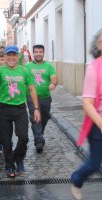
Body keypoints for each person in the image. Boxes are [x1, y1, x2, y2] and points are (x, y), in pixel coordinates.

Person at [0, 45, 41, 178]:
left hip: (19, 108)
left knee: (24, 137)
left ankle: (18, 157)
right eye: (8, 55)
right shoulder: (0, 70)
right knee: (6, 140)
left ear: (17, 57)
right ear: (5, 57)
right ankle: (9, 165)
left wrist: (36, 108)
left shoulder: (24, 71)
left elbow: (32, 89)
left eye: (14, 55)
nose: (11, 57)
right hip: (3, 108)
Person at [70, 29, 102, 200]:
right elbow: (87, 103)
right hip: (98, 126)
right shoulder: (94, 68)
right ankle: (77, 179)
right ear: (98, 45)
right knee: (94, 163)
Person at [25, 44, 57, 153]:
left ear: (43, 53)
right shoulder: (28, 66)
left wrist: (53, 84)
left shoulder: (49, 66)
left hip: (45, 97)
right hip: (31, 97)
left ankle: (39, 134)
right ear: (33, 53)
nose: (38, 54)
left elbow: (54, 77)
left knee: (45, 117)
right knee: (35, 118)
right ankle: (38, 141)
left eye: (40, 52)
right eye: (36, 52)